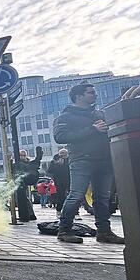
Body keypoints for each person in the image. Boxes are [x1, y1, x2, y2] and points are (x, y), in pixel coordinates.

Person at [53, 84, 124, 244]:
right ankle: (64, 230)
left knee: (102, 197)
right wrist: (92, 129)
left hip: (104, 160)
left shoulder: (99, 114)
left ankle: (104, 232)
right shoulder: (65, 117)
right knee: (76, 195)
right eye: (91, 93)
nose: (95, 95)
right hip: (82, 159)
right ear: (78, 96)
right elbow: (60, 136)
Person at [13, 147, 42, 221]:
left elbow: (36, 162)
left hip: (23, 182)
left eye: (23, 155)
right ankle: (29, 214)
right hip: (21, 182)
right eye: (20, 155)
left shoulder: (27, 164)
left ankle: (28, 215)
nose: (22, 157)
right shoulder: (19, 164)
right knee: (23, 198)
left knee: (22, 197)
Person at [48, 149, 70, 217]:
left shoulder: (70, 160)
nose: (63, 155)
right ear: (58, 154)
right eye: (61, 153)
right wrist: (57, 165)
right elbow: (50, 171)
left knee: (72, 195)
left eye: (64, 153)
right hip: (59, 181)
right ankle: (58, 210)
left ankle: (75, 212)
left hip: (70, 179)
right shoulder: (54, 161)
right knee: (61, 195)